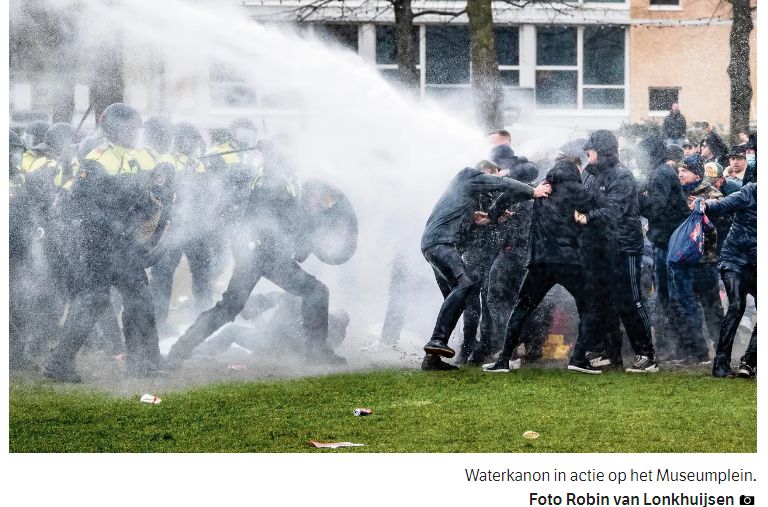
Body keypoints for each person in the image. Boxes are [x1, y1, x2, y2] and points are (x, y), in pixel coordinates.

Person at [165, 140, 346, 368]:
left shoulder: (287, 183)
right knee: (230, 307)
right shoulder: (269, 181)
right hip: (257, 255)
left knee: (316, 292)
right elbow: (279, 214)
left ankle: (316, 352)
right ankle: (179, 350)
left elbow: (291, 221)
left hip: (272, 256)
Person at [43, 103, 168, 382]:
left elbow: (158, 192)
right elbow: (82, 203)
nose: (133, 133)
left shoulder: (146, 157)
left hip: (127, 244)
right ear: (112, 128)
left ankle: (141, 363)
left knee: (140, 301)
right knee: (93, 299)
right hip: (99, 242)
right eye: (128, 128)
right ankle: (59, 363)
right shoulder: (96, 158)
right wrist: (119, 214)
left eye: (136, 128)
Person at [420, 160, 551, 370]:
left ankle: (432, 360)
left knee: (458, 298)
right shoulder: (468, 175)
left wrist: (486, 219)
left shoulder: (465, 197)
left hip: (436, 244)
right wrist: (532, 191)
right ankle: (437, 341)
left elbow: (461, 222)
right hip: (440, 244)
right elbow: (502, 184)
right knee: (465, 285)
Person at [483, 156, 598, 373]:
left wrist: (492, 215)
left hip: (540, 262)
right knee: (590, 306)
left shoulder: (541, 188)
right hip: (569, 262)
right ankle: (578, 358)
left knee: (522, 308)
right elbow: (602, 211)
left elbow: (507, 196)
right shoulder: (579, 191)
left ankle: (503, 360)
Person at [577, 130, 659, 373]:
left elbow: (613, 212)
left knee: (630, 301)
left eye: (590, 149)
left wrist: (583, 218)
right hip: (598, 247)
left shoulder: (622, 176)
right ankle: (604, 352)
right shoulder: (589, 175)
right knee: (599, 300)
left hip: (624, 247)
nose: (586, 153)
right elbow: (582, 200)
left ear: (602, 152)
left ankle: (647, 355)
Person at [149, 122, 213, 334]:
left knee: (203, 273)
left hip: (196, 227)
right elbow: (158, 193)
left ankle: (203, 321)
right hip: (173, 226)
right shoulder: (167, 162)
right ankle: (159, 324)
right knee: (163, 275)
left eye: (194, 140)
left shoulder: (197, 164)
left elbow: (204, 194)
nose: (191, 144)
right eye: (187, 139)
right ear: (178, 140)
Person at [637, 134, 690, 361]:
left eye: (641, 155)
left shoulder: (660, 174)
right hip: (666, 240)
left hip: (668, 243)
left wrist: (634, 201)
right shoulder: (661, 172)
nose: (638, 160)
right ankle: (681, 348)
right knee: (668, 296)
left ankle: (685, 348)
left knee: (669, 296)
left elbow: (656, 207)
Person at [667, 156, 724, 364]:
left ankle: (722, 350)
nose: (680, 174)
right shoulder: (678, 193)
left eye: (685, 170)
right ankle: (697, 352)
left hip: (705, 261)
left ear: (697, 174)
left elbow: (721, 217)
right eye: (679, 170)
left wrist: (703, 211)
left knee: (711, 308)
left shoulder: (711, 193)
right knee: (685, 307)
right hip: (683, 262)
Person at [702, 182, 757, 378]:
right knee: (736, 305)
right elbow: (723, 204)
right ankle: (721, 363)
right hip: (735, 260)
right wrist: (706, 205)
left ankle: (749, 361)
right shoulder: (751, 191)